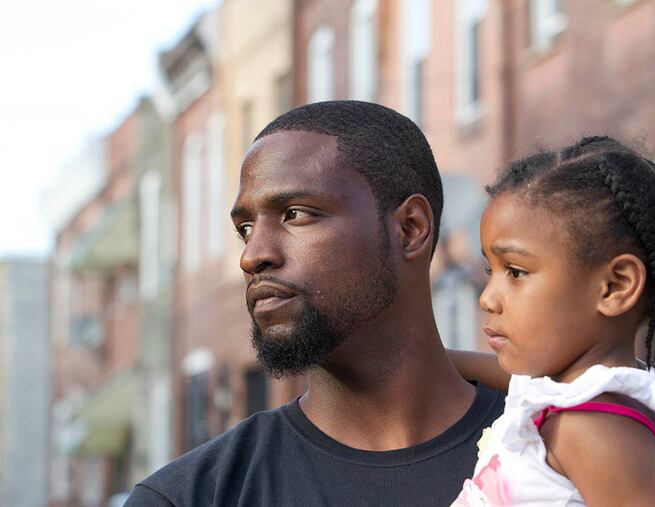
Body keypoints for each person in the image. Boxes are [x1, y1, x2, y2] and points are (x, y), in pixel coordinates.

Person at [124, 101, 504, 506]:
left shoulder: (551, 451)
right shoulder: (189, 498)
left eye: (294, 214)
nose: (251, 256)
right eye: (246, 228)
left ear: (410, 229)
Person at [451, 137, 655, 506]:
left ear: (615, 287)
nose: (487, 298)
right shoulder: (565, 392)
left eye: (516, 272)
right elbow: (513, 381)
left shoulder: (593, 427)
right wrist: (432, 361)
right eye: (491, 270)